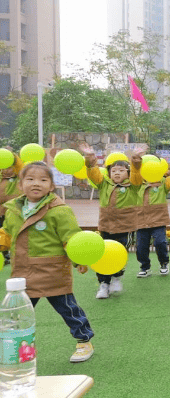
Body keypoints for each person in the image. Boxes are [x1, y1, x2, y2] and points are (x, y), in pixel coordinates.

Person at [0, 162, 95, 362]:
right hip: (22, 273)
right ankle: (17, 346)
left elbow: (71, 237)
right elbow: (7, 235)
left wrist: (79, 259)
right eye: (30, 179)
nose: (37, 184)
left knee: (69, 310)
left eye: (43, 180)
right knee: (16, 314)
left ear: (51, 186)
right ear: (20, 184)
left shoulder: (59, 210)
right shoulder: (13, 209)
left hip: (52, 272)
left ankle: (84, 341)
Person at [81, 144, 145, 299]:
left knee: (120, 253)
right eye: (114, 170)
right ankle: (103, 284)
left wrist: (136, 161)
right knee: (102, 255)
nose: (117, 173)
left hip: (126, 227)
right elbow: (93, 172)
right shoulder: (104, 184)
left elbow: (137, 174)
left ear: (128, 173)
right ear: (109, 172)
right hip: (106, 226)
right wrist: (90, 158)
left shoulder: (133, 186)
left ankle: (117, 278)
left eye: (121, 170)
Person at [135, 169, 170, 277]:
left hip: (158, 219)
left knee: (160, 242)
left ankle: (164, 263)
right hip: (141, 220)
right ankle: (145, 267)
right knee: (140, 246)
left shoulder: (162, 182)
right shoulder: (137, 183)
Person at [0, 148, 22, 266]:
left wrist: (11, 155)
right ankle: (4, 255)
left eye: (8, 167)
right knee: (1, 233)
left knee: (13, 232)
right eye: (3, 168)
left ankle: (14, 254)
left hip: (13, 210)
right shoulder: (1, 177)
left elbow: (19, 165)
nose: (5, 170)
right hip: (1, 211)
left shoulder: (18, 176)